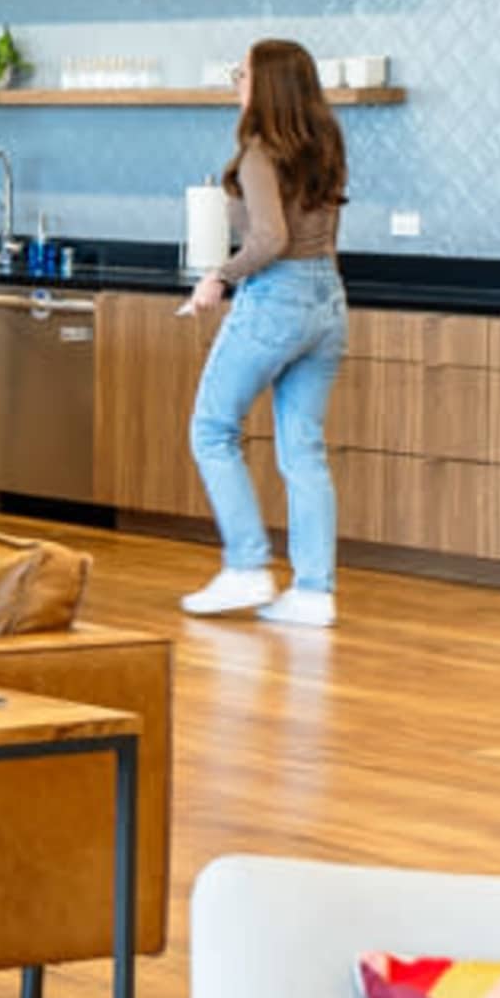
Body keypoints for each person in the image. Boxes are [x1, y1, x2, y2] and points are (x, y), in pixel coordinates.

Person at [179, 38, 351, 629]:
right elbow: (319, 235)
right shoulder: (324, 144)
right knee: (303, 448)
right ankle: (314, 591)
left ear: (269, 85)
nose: (236, 82)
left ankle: (248, 565)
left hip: (276, 297)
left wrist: (217, 278)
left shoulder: (258, 153)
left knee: (211, 428)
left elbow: (271, 239)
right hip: (327, 298)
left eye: (244, 73)